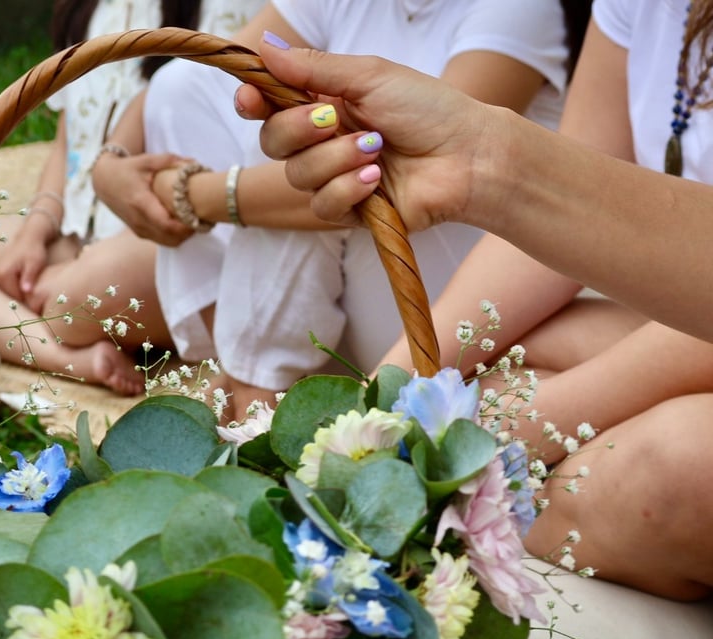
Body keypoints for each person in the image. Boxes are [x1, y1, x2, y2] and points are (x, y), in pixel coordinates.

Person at [235, 0, 713, 602]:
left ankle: (457, 537)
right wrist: (384, 400)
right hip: (662, 320)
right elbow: (567, 204)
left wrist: (509, 438)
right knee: (501, 363)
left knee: (671, 470)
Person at [93, 0, 590, 417]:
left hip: (445, 298)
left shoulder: (520, 9)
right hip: (329, 279)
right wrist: (111, 161)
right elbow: (211, 69)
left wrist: (194, 196)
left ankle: (260, 388)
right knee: (187, 88)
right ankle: (250, 364)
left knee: (339, 155)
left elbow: (407, 171)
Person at [0, 0, 232, 396]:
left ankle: (46, 309)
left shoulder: (224, 11)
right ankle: (70, 360)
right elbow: (66, 145)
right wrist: (35, 231)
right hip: (77, 234)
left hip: (165, 244)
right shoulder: (88, 10)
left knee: (63, 303)